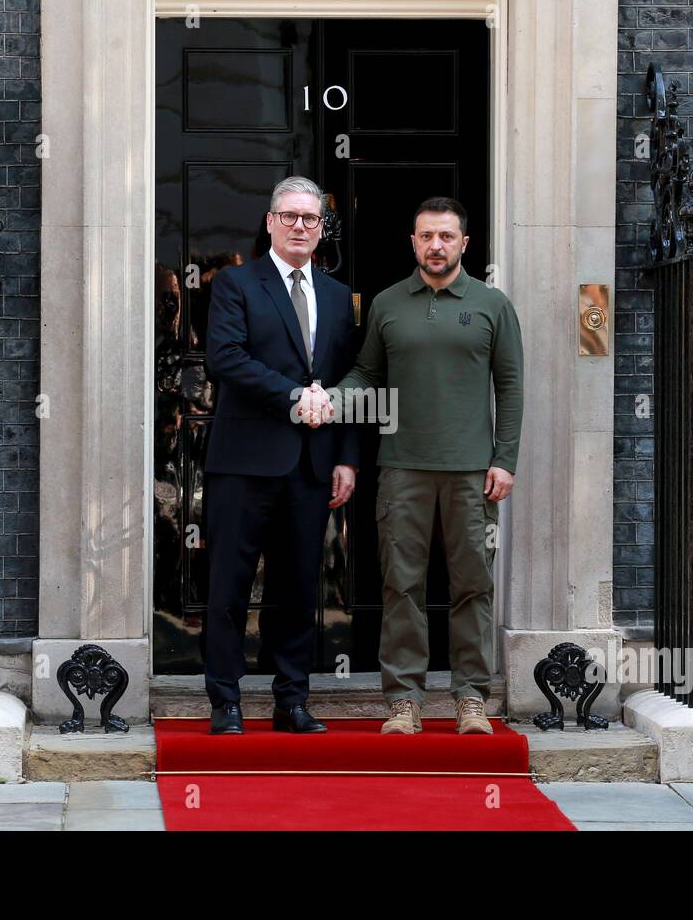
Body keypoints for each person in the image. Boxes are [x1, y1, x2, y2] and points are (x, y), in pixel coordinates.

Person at [320, 196, 523, 735]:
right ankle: (404, 699)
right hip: (402, 469)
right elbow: (365, 375)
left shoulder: (492, 304)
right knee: (401, 586)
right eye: (426, 236)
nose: (436, 245)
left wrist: (505, 460)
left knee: (472, 586)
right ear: (413, 242)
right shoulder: (388, 304)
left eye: (446, 236)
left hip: (471, 473)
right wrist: (329, 401)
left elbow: (510, 385)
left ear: (464, 244)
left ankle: (471, 698)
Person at [202, 176, 359, 735]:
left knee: (298, 588)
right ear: (270, 222)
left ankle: (291, 700)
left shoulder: (340, 297)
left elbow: (344, 380)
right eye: (289, 216)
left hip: (313, 466)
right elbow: (225, 358)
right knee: (228, 586)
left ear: (321, 228)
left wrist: (347, 457)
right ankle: (225, 701)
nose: (299, 226)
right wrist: (294, 395)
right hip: (244, 461)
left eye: (310, 219)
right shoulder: (236, 284)